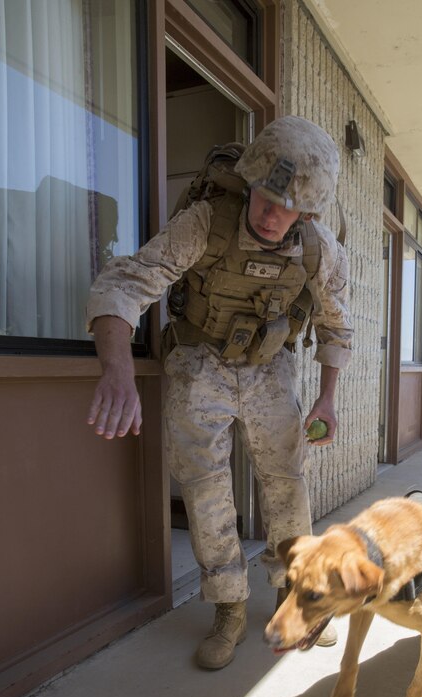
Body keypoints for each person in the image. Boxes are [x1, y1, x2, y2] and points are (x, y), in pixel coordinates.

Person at [85, 115, 353, 668]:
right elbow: (123, 285)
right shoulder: (204, 222)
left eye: (289, 207)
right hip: (198, 360)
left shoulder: (318, 247)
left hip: (270, 365)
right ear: (250, 182)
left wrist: (327, 398)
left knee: (287, 483)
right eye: (266, 196)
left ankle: (294, 595)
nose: (273, 213)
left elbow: (336, 324)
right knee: (206, 489)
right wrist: (116, 370)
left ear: (308, 211)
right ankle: (229, 606)